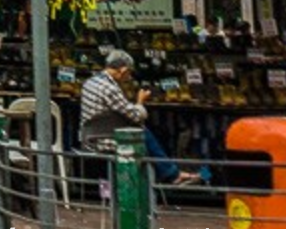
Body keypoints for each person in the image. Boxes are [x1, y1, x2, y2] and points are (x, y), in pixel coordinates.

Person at [80, 48, 199, 184]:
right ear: (123, 70)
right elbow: (136, 116)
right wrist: (140, 101)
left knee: (142, 131)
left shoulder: (90, 82)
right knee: (142, 131)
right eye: (129, 73)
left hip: (89, 137)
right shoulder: (109, 88)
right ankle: (170, 174)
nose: (129, 77)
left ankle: (169, 173)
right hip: (102, 140)